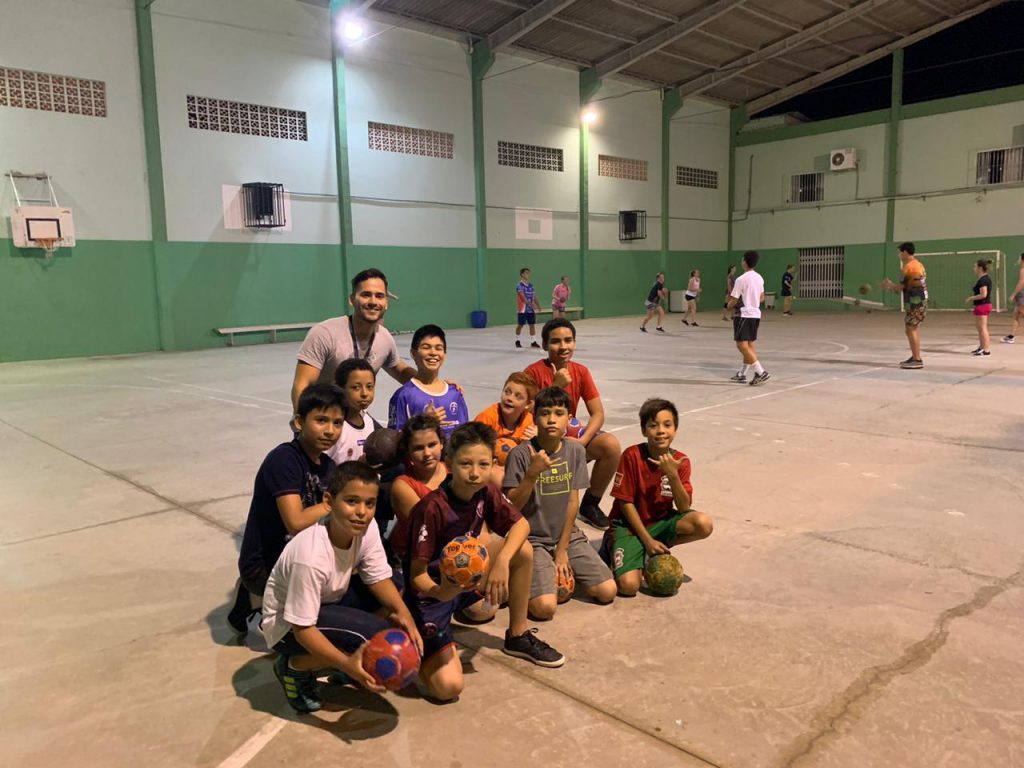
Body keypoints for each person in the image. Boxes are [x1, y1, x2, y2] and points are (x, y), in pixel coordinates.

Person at [405, 423, 565, 701]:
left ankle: (517, 635)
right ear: (450, 465)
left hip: (464, 583)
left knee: (522, 552)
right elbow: (416, 575)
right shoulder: (432, 508)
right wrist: (441, 592)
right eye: (466, 464)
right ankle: (410, 646)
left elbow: (521, 525)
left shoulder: (485, 492)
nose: (475, 472)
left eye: (483, 464)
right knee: (449, 688)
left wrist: (501, 561)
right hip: (431, 594)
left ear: (493, 464)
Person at [261, 461, 423, 713]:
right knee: (372, 635)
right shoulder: (310, 556)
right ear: (329, 501)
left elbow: (378, 577)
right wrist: (345, 664)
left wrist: (405, 614)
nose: (362, 511)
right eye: (351, 501)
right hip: (287, 626)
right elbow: (302, 628)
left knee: (398, 588)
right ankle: (294, 668)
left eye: (370, 503)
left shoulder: (364, 528)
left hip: (326, 601)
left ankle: (344, 649)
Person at [230, 384, 346, 639]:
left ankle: (253, 600)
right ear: (299, 422)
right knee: (309, 628)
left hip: (296, 557)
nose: (330, 430)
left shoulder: (329, 466)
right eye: (321, 420)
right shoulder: (284, 459)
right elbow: (295, 522)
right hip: (265, 564)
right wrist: (337, 501)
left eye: (337, 423)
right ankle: (256, 604)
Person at [504, 387, 616, 620]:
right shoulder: (520, 454)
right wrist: (532, 475)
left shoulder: (574, 450)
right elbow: (512, 505)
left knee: (608, 591)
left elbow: (573, 502)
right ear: (534, 417)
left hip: (566, 535)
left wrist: (563, 550)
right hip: (532, 539)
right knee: (545, 608)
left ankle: (567, 566)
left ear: (569, 418)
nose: (552, 419)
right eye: (545, 413)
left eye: (559, 413)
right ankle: (522, 571)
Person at [601, 398, 713, 596]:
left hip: (660, 522)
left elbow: (684, 506)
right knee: (628, 587)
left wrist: (672, 475)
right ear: (644, 431)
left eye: (667, 425)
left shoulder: (680, 460)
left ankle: (649, 548)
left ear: (675, 430)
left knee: (703, 523)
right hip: (628, 526)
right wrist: (646, 540)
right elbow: (624, 502)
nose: (661, 430)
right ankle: (612, 544)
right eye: (653, 425)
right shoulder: (632, 455)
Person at [525, 319, 622, 530]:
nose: (563, 347)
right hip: (543, 443)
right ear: (544, 345)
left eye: (568, 340)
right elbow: (526, 415)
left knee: (610, 445)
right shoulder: (532, 373)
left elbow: (598, 414)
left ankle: (590, 504)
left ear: (575, 343)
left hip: (571, 440)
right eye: (555, 341)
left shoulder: (581, 371)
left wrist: (581, 441)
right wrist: (556, 386)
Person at [292, 268, 416, 410]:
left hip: (354, 415)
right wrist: (302, 425)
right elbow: (302, 385)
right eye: (366, 295)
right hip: (323, 418)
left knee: (391, 433)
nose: (373, 301)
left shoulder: (384, 337)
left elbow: (400, 370)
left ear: (386, 302)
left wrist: (436, 385)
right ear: (352, 299)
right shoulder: (324, 334)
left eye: (379, 296)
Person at [388, 324, 469, 438]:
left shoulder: (454, 393)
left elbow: (465, 436)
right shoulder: (403, 396)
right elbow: (394, 440)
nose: (433, 353)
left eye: (438, 348)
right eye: (426, 347)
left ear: (444, 354)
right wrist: (423, 423)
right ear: (413, 354)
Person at [389, 414, 448, 564]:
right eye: (418, 448)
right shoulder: (402, 486)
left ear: (441, 443)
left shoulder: (454, 471)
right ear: (408, 452)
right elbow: (427, 529)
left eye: (432, 445)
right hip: (412, 557)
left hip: (449, 549)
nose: (427, 453)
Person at [473, 371, 538, 484]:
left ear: (528, 404)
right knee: (499, 477)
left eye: (518, 396)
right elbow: (473, 449)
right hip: (488, 467)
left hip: (516, 467)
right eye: (507, 392)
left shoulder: (529, 421)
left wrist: (537, 438)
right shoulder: (487, 418)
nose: (510, 398)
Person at [880, 242, 927, 369]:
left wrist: (889, 285)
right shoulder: (919, 265)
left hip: (915, 303)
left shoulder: (908, 267)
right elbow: (907, 286)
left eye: (900, 252)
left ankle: (917, 359)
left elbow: (901, 287)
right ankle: (915, 356)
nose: (899, 255)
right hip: (918, 302)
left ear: (905, 252)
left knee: (911, 329)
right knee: (911, 329)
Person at [727, 251, 770, 386]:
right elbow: (762, 298)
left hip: (744, 314)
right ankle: (743, 374)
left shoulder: (741, 279)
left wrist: (728, 306)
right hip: (755, 314)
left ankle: (760, 371)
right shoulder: (759, 278)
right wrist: (752, 300)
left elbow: (733, 299)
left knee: (741, 345)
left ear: (744, 261)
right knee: (749, 344)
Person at [328, 358, 381, 463]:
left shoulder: (369, 422)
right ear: (339, 388)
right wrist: (358, 469)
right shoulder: (332, 428)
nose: (365, 393)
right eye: (356, 387)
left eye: (370, 387)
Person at [967, 259, 993, 356]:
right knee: (980, 328)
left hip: (983, 305)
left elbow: (983, 294)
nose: (974, 268)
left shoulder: (984, 280)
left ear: (980, 268)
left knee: (983, 328)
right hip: (981, 305)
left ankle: (986, 350)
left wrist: (971, 298)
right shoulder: (983, 279)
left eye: (975, 266)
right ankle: (981, 347)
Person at [515, 268, 542, 349]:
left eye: (528, 273)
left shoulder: (531, 285)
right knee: (520, 325)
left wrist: (538, 305)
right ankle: (517, 340)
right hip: (523, 309)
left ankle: (533, 341)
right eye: (526, 273)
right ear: (522, 274)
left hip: (531, 310)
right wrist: (530, 304)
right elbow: (522, 297)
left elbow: (534, 296)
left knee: (532, 325)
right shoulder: (519, 285)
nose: (528, 274)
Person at [1002, 252, 1024, 343]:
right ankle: (1011, 336)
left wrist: (1013, 294)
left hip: (1022, 294)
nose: (1018, 260)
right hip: (1021, 294)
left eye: (1019, 258)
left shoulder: (1023, 270)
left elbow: (1021, 283)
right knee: (1016, 315)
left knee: (1020, 313)